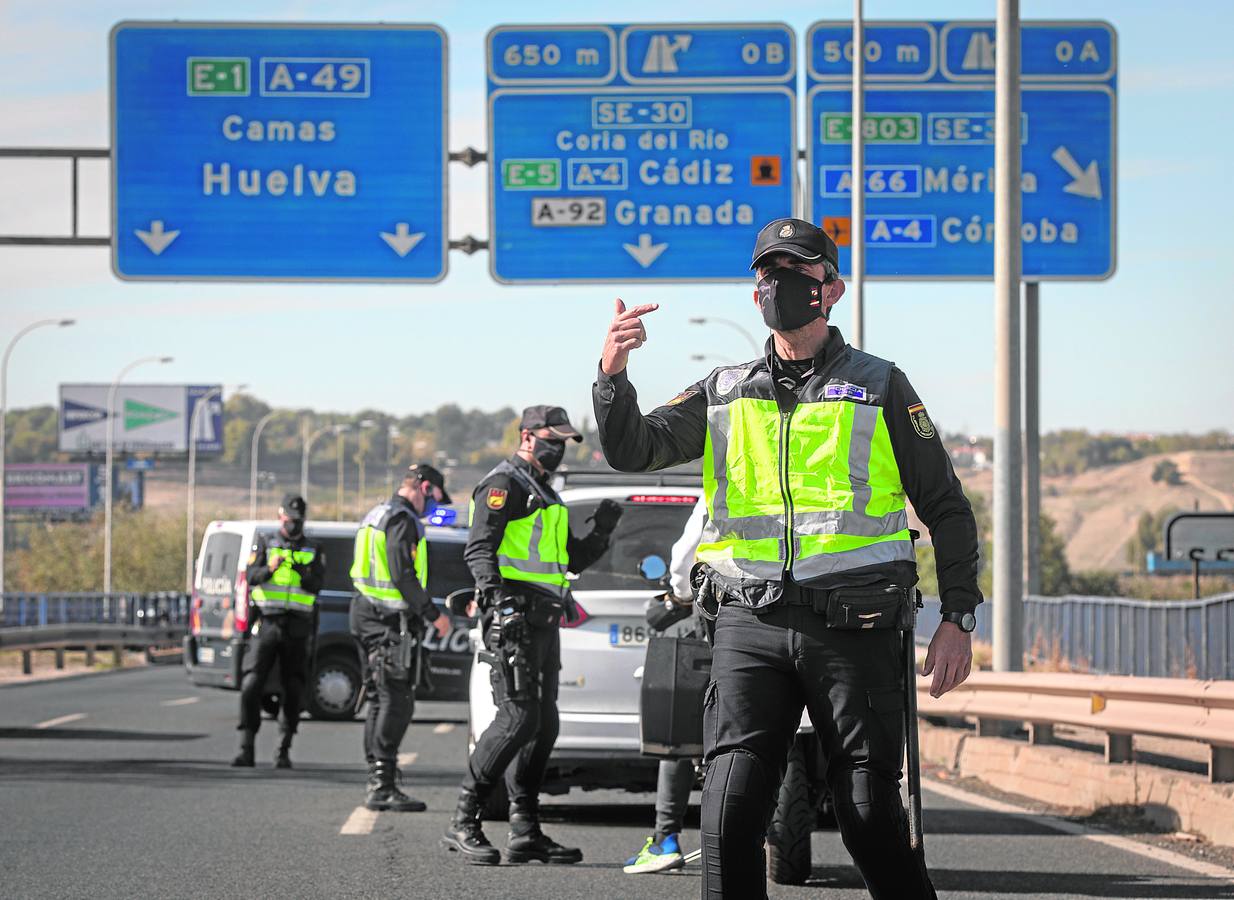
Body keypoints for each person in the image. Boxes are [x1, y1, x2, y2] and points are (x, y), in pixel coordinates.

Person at [592, 217, 982, 899]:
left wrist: (958, 617)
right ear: (755, 294)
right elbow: (633, 449)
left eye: (795, 273)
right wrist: (612, 376)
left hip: (854, 626)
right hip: (751, 623)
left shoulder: (881, 385)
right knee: (727, 816)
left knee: (867, 818)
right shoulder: (724, 387)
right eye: (766, 275)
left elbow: (947, 507)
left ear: (830, 288)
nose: (777, 286)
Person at [442, 405, 622, 866]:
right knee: (517, 719)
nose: (558, 447)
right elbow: (479, 548)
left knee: (544, 725)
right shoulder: (504, 485)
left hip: (543, 620)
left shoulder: (546, 493)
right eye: (551, 438)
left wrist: (601, 530)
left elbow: (570, 562)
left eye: (563, 441)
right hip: (514, 618)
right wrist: (498, 603)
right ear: (526, 437)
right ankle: (464, 820)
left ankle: (526, 830)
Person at [350, 464, 453, 812]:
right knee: (396, 700)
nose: (434, 506)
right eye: (435, 497)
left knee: (381, 698)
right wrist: (433, 614)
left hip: (367, 613)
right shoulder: (402, 520)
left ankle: (379, 778)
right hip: (386, 620)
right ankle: (382, 783)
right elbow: (402, 573)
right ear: (424, 487)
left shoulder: (377, 513)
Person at [623, 497, 706, 875]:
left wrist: (680, 593)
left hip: (723, 620)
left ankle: (665, 838)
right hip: (798, 620)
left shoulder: (729, 462)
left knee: (680, 732)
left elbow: (687, 553)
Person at [232, 493, 326, 769]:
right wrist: (268, 571)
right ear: (280, 516)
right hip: (268, 623)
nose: (293, 524)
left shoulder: (313, 548)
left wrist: (302, 571)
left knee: (294, 687)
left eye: (298, 520)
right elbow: (250, 577)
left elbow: (317, 584)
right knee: (251, 684)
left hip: (298, 626)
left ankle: (283, 748)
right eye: (289, 519)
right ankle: (246, 746)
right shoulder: (265, 543)